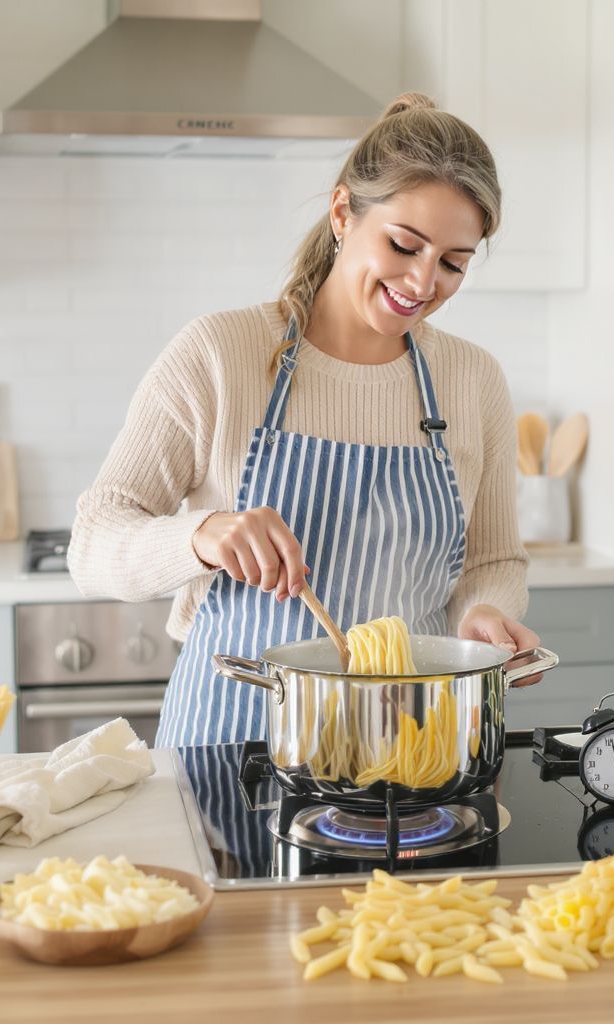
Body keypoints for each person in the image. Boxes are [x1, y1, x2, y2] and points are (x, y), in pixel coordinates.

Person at [69, 92, 542, 748]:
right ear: (344, 211)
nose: (423, 281)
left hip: (402, 747)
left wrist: (485, 613)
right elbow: (92, 545)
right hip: (232, 745)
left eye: (454, 262)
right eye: (405, 245)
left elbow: (493, 558)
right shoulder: (219, 354)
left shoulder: (472, 380)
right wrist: (201, 536)